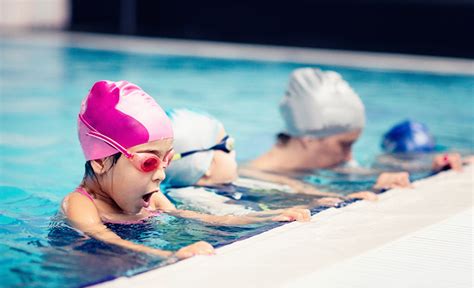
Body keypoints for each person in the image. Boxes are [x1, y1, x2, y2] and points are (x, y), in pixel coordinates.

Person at [61, 80, 310, 260]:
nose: (161, 174)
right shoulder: (82, 205)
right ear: (101, 162)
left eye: (167, 159)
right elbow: (106, 238)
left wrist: (270, 216)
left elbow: (206, 219)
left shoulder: (153, 199)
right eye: (148, 162)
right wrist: (168, 255)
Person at [162, 109, 370, 216]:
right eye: (228, 145)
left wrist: (332, 198)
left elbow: (282, 193)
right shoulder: (191, 196)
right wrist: (278, 214)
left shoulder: (228, 184)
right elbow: (234, 217)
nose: (234, 152)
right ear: (205, 167)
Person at [240, 67, 410, 194]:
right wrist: (375, 190)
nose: (349, 157)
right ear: (309, 138)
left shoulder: (317, 165)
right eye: (344, 145)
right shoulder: (253, 178)